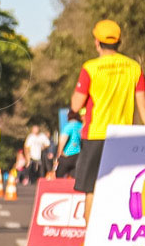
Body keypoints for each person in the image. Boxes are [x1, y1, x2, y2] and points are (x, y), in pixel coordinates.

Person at [70, 20, 145, 222]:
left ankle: (88, 244)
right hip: (123, 138)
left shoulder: (91, 68)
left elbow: (76, 105)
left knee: (91, 190)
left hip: (95, 136)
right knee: (120, 189)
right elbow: (143, 109)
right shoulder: (134, 68)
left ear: (97, 42)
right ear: (119, 41)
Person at [55, 110, 82, 179]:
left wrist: (59, 154)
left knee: (59, 178)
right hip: (79, 155)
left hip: (67, 155)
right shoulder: (81, 126)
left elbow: (62, 141)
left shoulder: (68, 126)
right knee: (73, 179)